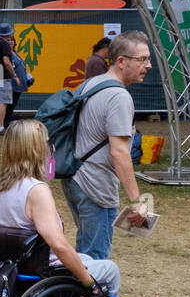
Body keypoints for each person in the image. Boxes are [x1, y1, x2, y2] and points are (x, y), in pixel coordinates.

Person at [0, 120, 131, 297]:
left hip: (13, 266)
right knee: (109, 270)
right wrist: (88, 283)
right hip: (42, 271)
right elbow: (59, 245)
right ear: (37, 150)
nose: (50, 148)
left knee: (85, 257)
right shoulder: (36, 190)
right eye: (46, 143)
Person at [60, 31, 152, 263]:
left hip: (74, 179)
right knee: (96, 262)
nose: (148, 65)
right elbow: (119, 151)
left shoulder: (91, 83)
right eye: (142, 59)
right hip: (96, 186)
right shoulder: (119, 96)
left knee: (85, 253)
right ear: (121, 61)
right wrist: (135, 202)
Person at [0, 23, 20, 134]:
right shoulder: (5, 44)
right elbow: (6, 61)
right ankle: (0, 127)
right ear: (8, 33)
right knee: (3, 102)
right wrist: (14, 75)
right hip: (3, 74)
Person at [4, 37, 34, 127]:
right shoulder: (7, 54)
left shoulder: (15, 53)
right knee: (9, 106)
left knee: (12, 105)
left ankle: (6, 123)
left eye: (12, 40)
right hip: (12, 84)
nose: (10, 42)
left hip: (19, 84)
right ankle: (5, 124)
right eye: (8, 40)